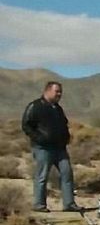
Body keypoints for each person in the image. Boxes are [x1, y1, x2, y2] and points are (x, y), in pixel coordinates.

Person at [21, 81, 78, 212]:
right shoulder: (35, 106)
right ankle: (39, 205)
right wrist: (39, 138)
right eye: (57, 91)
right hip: (43, 148)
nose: (59, 94)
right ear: (47, 91)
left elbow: (64, 124)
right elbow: (26, 125)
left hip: (60, 148)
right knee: (42, 176)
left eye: (60, 92)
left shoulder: (58, 108)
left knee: (67, 173)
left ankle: (69, 204)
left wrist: (66, 137)